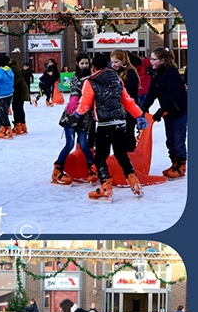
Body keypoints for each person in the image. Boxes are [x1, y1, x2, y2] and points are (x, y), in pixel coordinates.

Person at [75, 53, 149, 201]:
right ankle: (134, 181)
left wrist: (77, 113)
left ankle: (106, 186)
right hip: (120, 123)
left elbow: (85, 103)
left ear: (94, 67)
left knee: (101, 158)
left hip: (103, 125)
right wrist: (139, 115)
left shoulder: (90, 82)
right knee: (121, 154)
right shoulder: (117, 79)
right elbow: (128, 101)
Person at [141, 47, 188, 179]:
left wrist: (161, 110)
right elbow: (152, 92)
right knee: (170, 141)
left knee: (178, 140)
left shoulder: (172, 73)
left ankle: (181, 165)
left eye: (153, 59)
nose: (150, 61)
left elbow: (171, 95)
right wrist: (144, 107)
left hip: (179, 111)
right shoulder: (156, 74)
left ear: (162, 61)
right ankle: (174, 164)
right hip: (168, 112)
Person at [53, 53, 96, 185]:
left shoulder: (92, 78)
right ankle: (57, 170)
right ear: (77, 64)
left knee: (84, 145)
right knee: (70, 144)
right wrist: (74, 99)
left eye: (86, 63)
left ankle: (92, 169)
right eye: (82, 63)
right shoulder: (75, 78)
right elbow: (75, 90)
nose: (84, 66)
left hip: (85, 118)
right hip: (72, 116)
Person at [110, 49, 141, 152]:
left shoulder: (130, 73)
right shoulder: (114, 72)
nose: (113, 64)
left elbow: (131, 95)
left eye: (116, 62)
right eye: (112, 62)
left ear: (123, 61)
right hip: (117, 110)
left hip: (128, 110)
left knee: (128, 134)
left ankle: (130, 156)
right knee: (118, 136)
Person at [7, 57, 30, 135]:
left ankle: (18, 126)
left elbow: (17, 78)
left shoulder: (13, 69)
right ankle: (22, 125)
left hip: (19, 90)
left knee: (16, 108)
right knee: (20, 108)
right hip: (20, 90)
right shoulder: (14, 68)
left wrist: (11, 85)